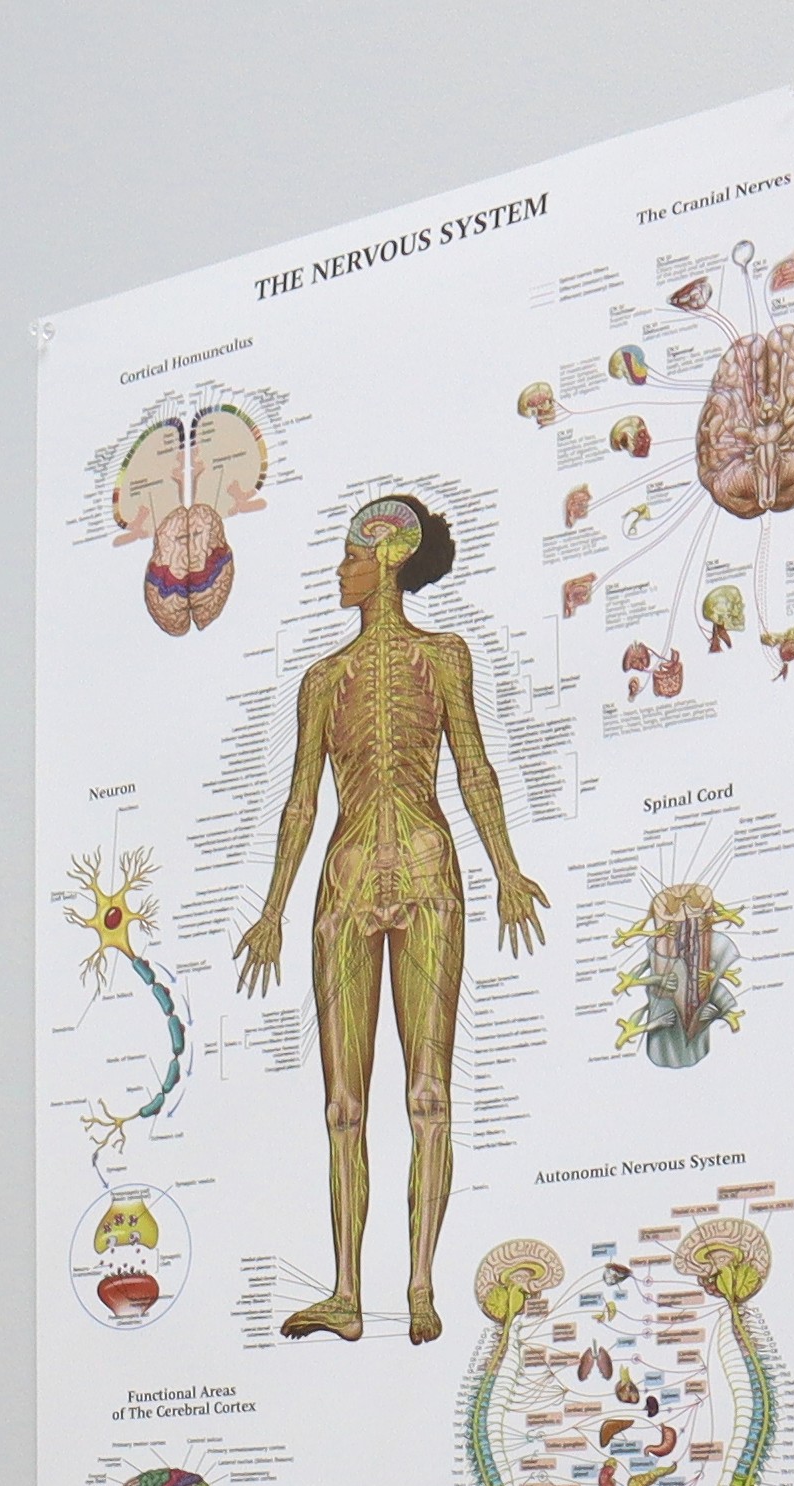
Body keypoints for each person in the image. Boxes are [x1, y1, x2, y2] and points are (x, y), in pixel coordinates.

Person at [234, 494, 546, 1344]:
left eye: (349, 555)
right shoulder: (321, 680)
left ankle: (417, 1285)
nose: (339, 570)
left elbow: (474, 765)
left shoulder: (445, 657)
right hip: (340, 883)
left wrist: (508, 869)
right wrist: (270, 909)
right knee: (342, 1104)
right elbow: (299, 805)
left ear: (391, 557)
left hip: (427, 869)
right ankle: (345, 1292)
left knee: (428, 1093)